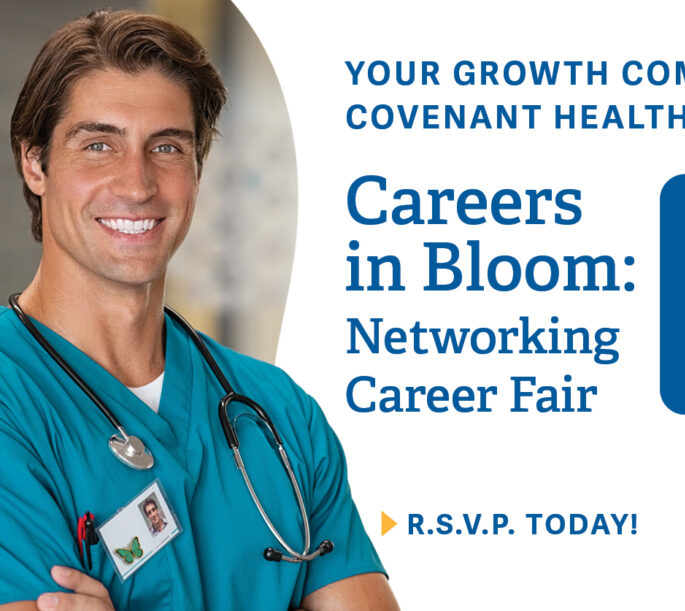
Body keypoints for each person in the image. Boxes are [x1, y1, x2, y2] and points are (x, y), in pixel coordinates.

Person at [0, 9, 399, 611]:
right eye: (99, 145)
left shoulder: (280, 414)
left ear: (197, 168)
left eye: (166, 147)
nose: (137, 184)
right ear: (35, 162)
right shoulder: (13, 401)